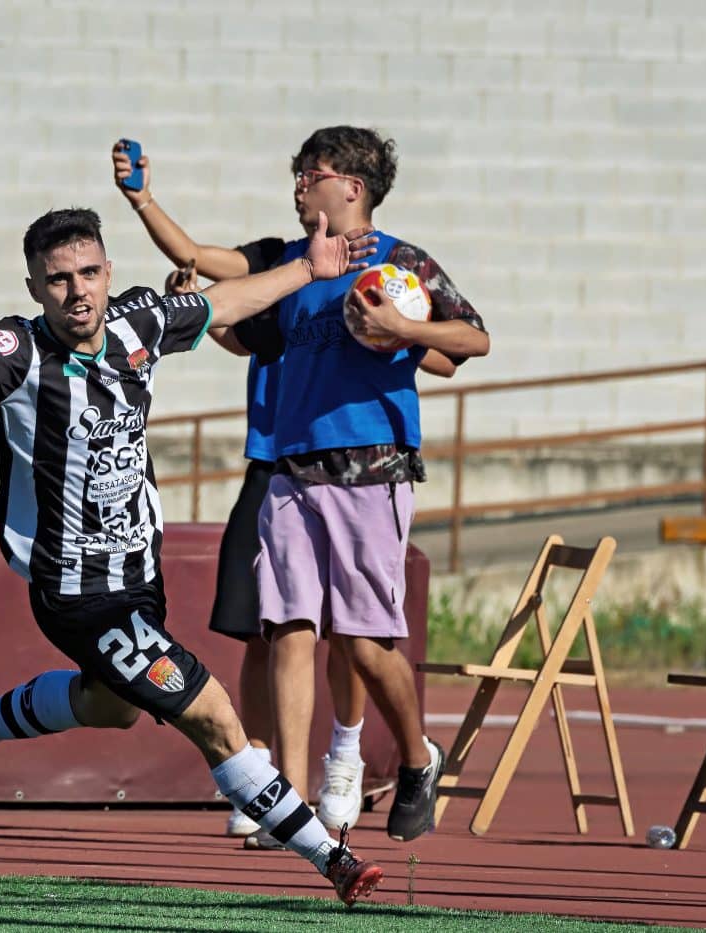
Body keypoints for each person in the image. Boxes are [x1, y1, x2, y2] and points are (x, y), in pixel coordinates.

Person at [0, 185, 383, 905]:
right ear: (34, 288)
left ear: (108, 272)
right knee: (211, 716)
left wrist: (311, 266)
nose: (75, 291)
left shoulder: (139, 320)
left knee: (112, 706)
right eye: (57, 279)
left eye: (87, 273)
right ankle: (332, 859)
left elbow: (227, 304)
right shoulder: (18, 353)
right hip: (75, 593)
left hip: (138, 576)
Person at [112, 137, 459, 841]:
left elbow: (465, 343)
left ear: (353, 188)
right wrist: (143, 198)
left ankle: (412, 758)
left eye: (313, 175)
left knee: (361, 643)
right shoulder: (286, 264)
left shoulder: (398, 263)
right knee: (288, 630)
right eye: (297, 174)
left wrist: (403, 329)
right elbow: (203, 263)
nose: (299, 186)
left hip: (370, 468)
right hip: (290, 467)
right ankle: (291, 802)